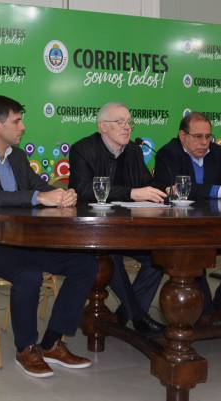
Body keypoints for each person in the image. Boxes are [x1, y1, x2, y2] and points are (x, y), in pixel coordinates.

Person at [0, 95, 98, 378]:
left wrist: (61, 194)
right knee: (28, 275)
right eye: (17, 121)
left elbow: (37, 185)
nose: (23, 127)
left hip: (20, 241)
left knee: (84, 264)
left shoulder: (17, 157)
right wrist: (38, 197)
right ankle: (25, 349)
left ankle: (51, 343)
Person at [68, 102, 167, 334]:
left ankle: (126, 313)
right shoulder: (82, 149)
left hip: (127, 229)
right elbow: (82, 190)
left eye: (129, 122)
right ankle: (139, 318)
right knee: (111, 257)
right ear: (103, 126)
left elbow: (145, 184)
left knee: (159, 257)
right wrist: (130, 193)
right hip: (91, 232)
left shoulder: (133, 151)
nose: (127, 127)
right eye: (120, 122)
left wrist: (164, 189)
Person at [153, 111, 221, 325]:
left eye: (208, 136)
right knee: (195, 252)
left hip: (215, 222)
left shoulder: (214, 151)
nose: (205, 142)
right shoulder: (167, 154)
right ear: (183, 136)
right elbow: (174, 188)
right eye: (198, 136)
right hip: (183, 226)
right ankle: (204, 310)